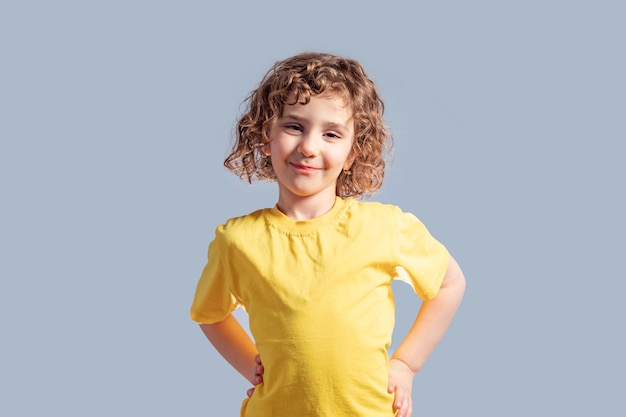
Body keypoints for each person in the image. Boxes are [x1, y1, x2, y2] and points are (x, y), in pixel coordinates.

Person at [190, 51, 466, 417]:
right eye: (294, 126)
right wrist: (249, 364)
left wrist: (406, 365)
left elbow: (449, 283)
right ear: (265, 136)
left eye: (331, 133)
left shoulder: (385, 227)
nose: (309, 146)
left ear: (353, 152)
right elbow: (210, 314)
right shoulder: (237, 240)